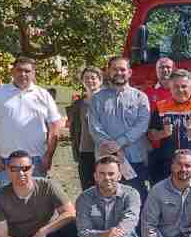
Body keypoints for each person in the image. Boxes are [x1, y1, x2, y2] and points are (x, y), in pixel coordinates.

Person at [0, 56, 64, 187]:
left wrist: (48, 156)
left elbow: (55, 126)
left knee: (36, 204)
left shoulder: (44, 95)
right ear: (12, 72)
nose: (23, 74)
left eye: (27, 71)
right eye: (19, 70)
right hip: (5, 161)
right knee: (8, 205)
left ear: (34, 73)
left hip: (36, 161)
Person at [87, 57, 152, 202]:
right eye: (115, 69)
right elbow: (94, 126)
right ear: (108, 72)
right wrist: (111, 146)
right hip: (105, 162)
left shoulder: (140, 97)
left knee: (136, 199)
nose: (119, 73)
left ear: (129, 72)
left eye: (122, 69)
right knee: (107, 200)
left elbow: (142, 125)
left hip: (134, 159)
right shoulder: (97, 99)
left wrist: (119, 143)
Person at [148, 70, 191, 185]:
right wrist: (162, 134)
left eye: (184, 86)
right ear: (170, 87)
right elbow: (151, 134)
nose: (180, 90)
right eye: (176, 86)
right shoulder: (161, 107)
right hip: (170, 164)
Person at [68, 66, 102, 190]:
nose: (90, 81)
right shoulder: (79, 104)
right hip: (85, 151)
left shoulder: (107, 102)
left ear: (100, 80)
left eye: (93, 78)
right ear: (82, 81)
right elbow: (75, 130)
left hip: (104, 151)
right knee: (88, 189)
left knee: (105, 188)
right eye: (86, 78)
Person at [144, 57, 175, 183]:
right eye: (161, 67)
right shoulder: (147, 93)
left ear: (173, 69)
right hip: (154, 147)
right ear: (156, 71)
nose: (165, 70)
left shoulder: (180, 91)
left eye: (168, 67)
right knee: (157, 185)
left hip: (175, 148)